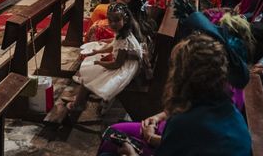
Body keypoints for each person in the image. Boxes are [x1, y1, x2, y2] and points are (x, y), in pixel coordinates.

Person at [103, 32, 251, 156]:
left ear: (182, 76)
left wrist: (131, 153)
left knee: (109, 147)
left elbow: (187, 136)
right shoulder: (223, 102)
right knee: (114, 133)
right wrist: (157, 118)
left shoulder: (184, 123)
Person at [67, 2, 142, 113]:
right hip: (124, 62)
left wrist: (99, 63)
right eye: (110, 20)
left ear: (125, 20)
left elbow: (117, 64)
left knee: (90, 72)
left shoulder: (124, 39)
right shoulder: (122, 31)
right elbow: (113, 46)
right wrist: (98, 51)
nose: (112, 24)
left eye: (116, 20)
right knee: (93, 57)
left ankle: (78, 104)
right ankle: (80, 99)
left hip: (125, 69)